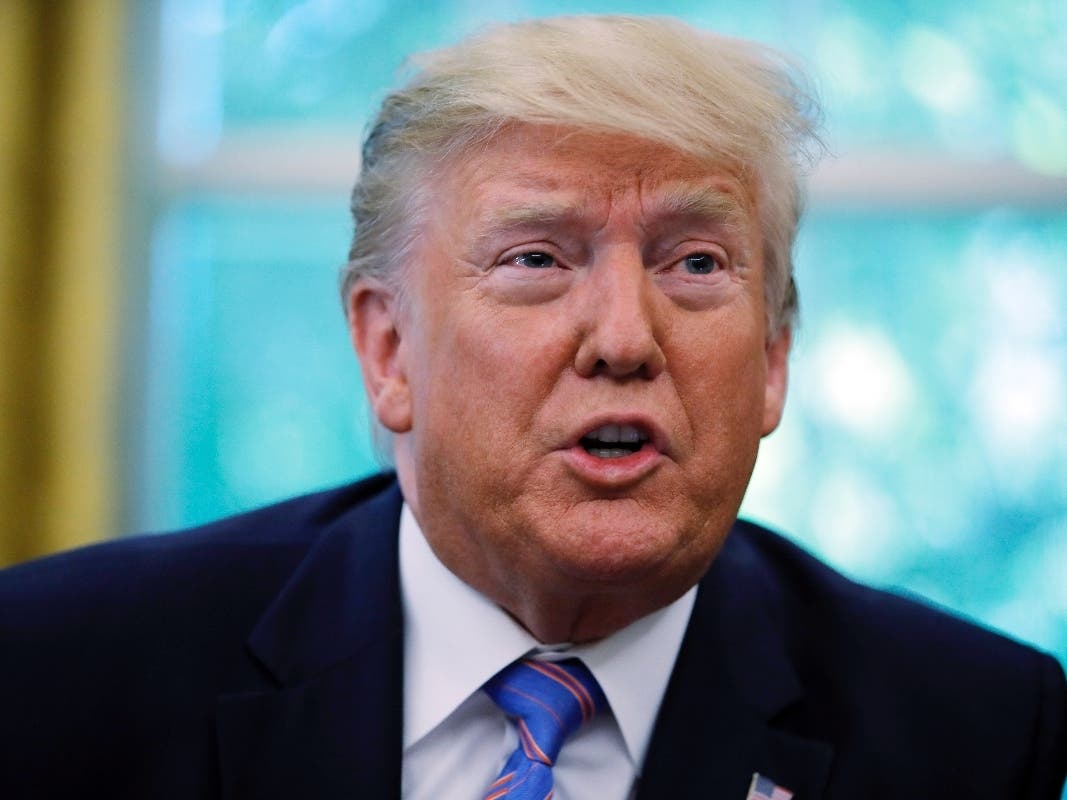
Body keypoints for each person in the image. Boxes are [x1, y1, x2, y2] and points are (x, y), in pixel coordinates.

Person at [1, 14, 1064, 800]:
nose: (622, 337)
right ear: (387, 349)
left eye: (693, 262)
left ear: (774, 356)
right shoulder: (55, 672)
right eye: (534, 259)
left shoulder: (966, 731)